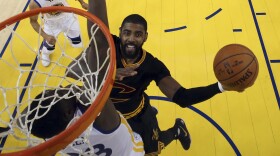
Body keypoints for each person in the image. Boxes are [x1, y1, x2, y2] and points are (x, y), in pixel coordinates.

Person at [67, 0, 244, 155]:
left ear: (145, 37)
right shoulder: (106, 47)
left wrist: (220, 87)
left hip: (135, 115)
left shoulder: (152, 66)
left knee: (150, 152)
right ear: (120, 32)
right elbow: (71, 70)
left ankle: (176, 131)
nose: (131, 39)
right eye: (127, 33)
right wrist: (109, 73)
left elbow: (182, 97)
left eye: (138, 35)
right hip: (102, 114)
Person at [29, 0, 88, 67]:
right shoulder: (35, 3)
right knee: (49, 45)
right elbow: (33, 22)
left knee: (77, 42)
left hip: (68, 18)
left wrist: (82, 3)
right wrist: (46, 36)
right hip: (51, 23)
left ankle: (68, 35)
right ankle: (45, 54)